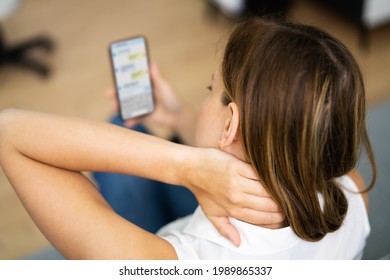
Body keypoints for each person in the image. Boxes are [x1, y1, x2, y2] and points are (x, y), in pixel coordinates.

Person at [0, 16, 376, 259]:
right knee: (127, 124)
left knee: (122, 129)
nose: (206, 95)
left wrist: (183, 164)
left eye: (210, 88)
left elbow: (10, 131)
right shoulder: (351, 192)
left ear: (230, 125)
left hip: (171, 238)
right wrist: (177, 116)